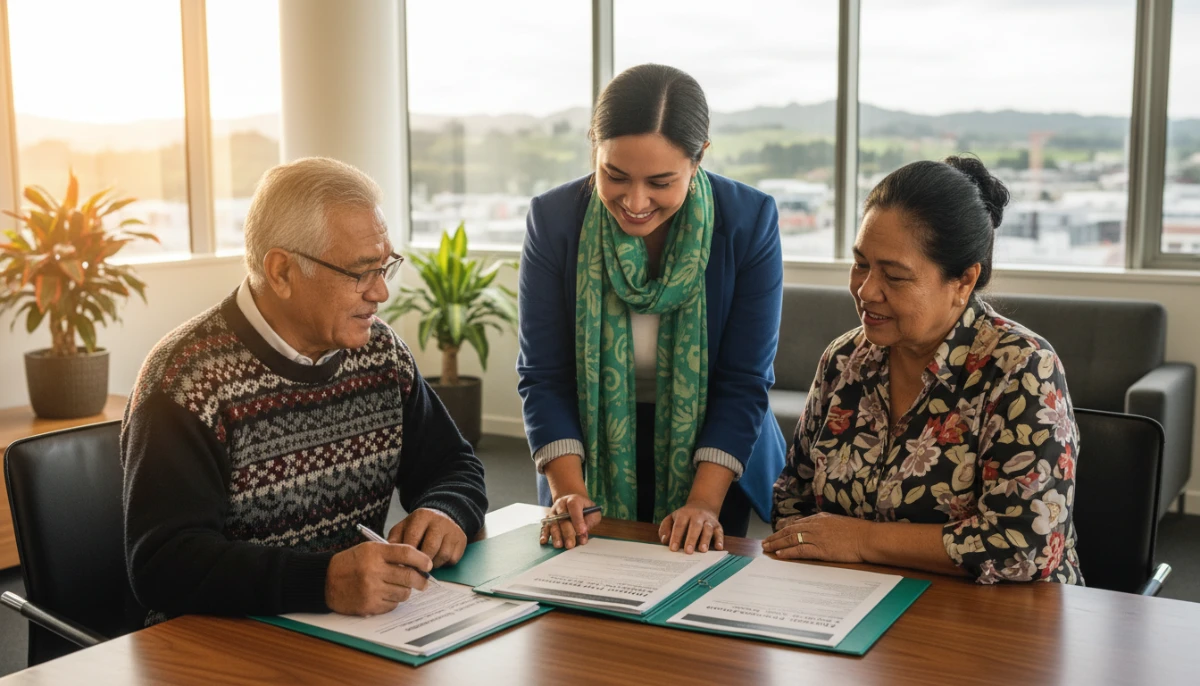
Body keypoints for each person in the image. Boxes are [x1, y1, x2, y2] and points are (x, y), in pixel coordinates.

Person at [121, 157, 488, 622]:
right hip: (222, 646)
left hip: (351, 633)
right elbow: (164, 565)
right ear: (282, 272)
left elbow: (454, 465)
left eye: (384, 266)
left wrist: (446, 510)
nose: (381, 293)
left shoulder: (380, 353)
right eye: (360, 273)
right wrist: (323, 581)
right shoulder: (186, 382)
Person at [765, 156, 1082, 584]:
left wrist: (862, 541)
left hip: (996, 620)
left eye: (894, 277)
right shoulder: (845, 360)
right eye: (860, 264)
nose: (865, 290)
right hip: (852, 607)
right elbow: (792, 499)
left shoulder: (1021, 369)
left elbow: (1026, 546)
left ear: (964, 282)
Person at [517, 64, 786, 555]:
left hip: (712, 456)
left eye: (661, 182)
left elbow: (744, 381)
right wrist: (568, 490)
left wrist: (704, 502)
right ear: (593, 143)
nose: (635, 202)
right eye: (614, 176)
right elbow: (544, 374)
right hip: (585, 454)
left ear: (699, 157)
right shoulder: (554, 220)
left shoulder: (750, 221)